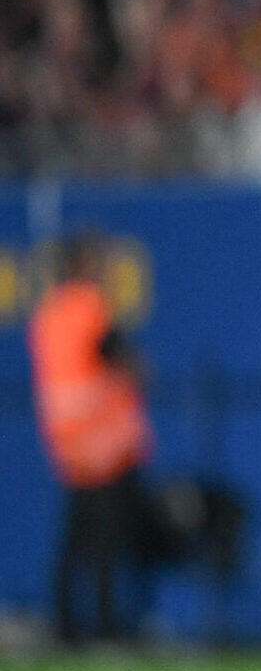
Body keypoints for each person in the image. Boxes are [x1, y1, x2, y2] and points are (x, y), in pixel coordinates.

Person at [30, 232, 160, 646]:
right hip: (105, 444)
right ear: (82, 264)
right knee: (106, 544)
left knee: (73, 544)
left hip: (68, 442)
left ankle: (65, 629)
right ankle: (105, 631)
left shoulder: (49, 313)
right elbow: (114, 353)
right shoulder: (89, 306)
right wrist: (138, 368)